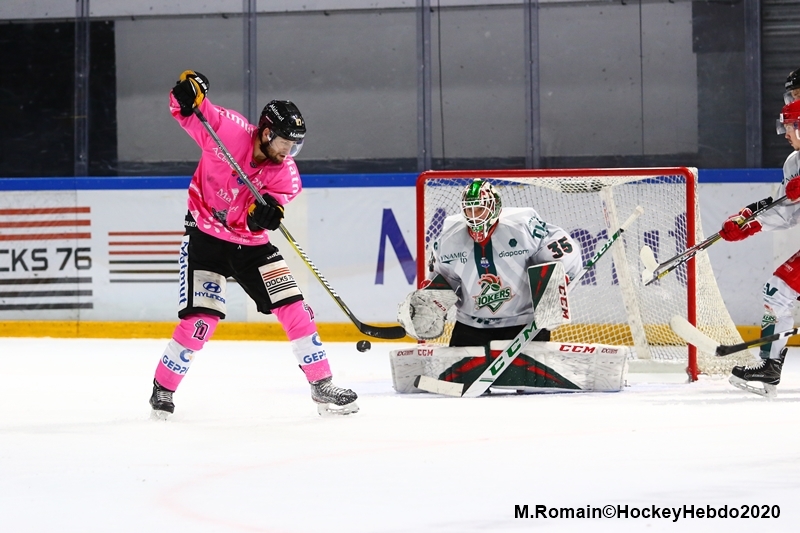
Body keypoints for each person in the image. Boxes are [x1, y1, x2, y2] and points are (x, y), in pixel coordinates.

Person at [148, 70, 358, 418]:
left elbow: (258, 211)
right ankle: (163, 390)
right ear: (266, 132)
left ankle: (321, 386)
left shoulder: (286, 174)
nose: (289, 152)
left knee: (295, 308)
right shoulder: (226, 131)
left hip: (250, 245)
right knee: (201, 321)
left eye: (295, 146)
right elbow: (188, 110)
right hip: (205, 237)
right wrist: (185, 93)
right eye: (284, 143)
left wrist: (263, 216)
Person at [398, 178, 583, 347]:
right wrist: (430, 302)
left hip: (525, 324)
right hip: (471, 327)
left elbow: (560, 247)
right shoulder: (448, 240)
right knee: (461, 384)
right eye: (469, 209)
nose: (474, 215)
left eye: (479, 208)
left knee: (530, 383)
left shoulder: (522, 227)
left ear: (494, 207)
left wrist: (557, 278)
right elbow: (444, 279)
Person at [718, 98, 800, 397]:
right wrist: (749, 225)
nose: (786, 134)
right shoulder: (794, 163)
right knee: (777, 291)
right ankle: (769, 366)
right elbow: (787, 212)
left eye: (789, 127)